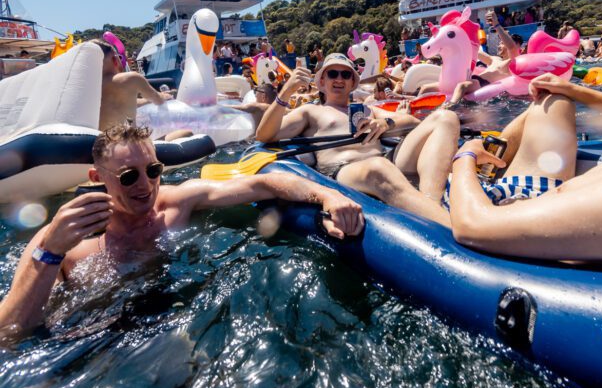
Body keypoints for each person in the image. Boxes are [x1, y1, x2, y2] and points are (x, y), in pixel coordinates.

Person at [0, 124, 364, 339]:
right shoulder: (64, 237)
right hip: (79, 338)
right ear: (97, 179)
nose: (145, 185)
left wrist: (328, 196)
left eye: (153, 170)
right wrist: (50, 252)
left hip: (162, 321)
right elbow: (10, 332)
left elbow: (266, 184)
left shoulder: (175, 203)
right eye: (128, 176)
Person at [441, 73, 602, 268]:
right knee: (554, 101)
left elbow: (474, 227)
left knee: (442, 124)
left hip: (506, 213)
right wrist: (574, 91)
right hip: (532, 200)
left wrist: (465, 156)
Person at [257, 54, 457, 225]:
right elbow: (264, 135)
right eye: (332, 73)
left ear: (353, 82)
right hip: (343, 170)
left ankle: (431, 203)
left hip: (387, 162)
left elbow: (413, 121)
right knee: (377, 167)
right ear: (322, 81)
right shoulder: (311, 111)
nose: (339, 78)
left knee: (446, 118)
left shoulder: (367, 108)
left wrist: (386, 123)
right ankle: (452, 227)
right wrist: (285, 93)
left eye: (345, 74)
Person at [93, 40, 173, 131]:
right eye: (119, 57)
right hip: (127, 141)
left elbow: (128, 102)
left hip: (100, 141)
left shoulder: (91, 86)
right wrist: (164, 95)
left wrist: (146, 101)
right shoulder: (131, 78)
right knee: (185, 132)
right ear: (115, 60)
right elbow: (157, 99)